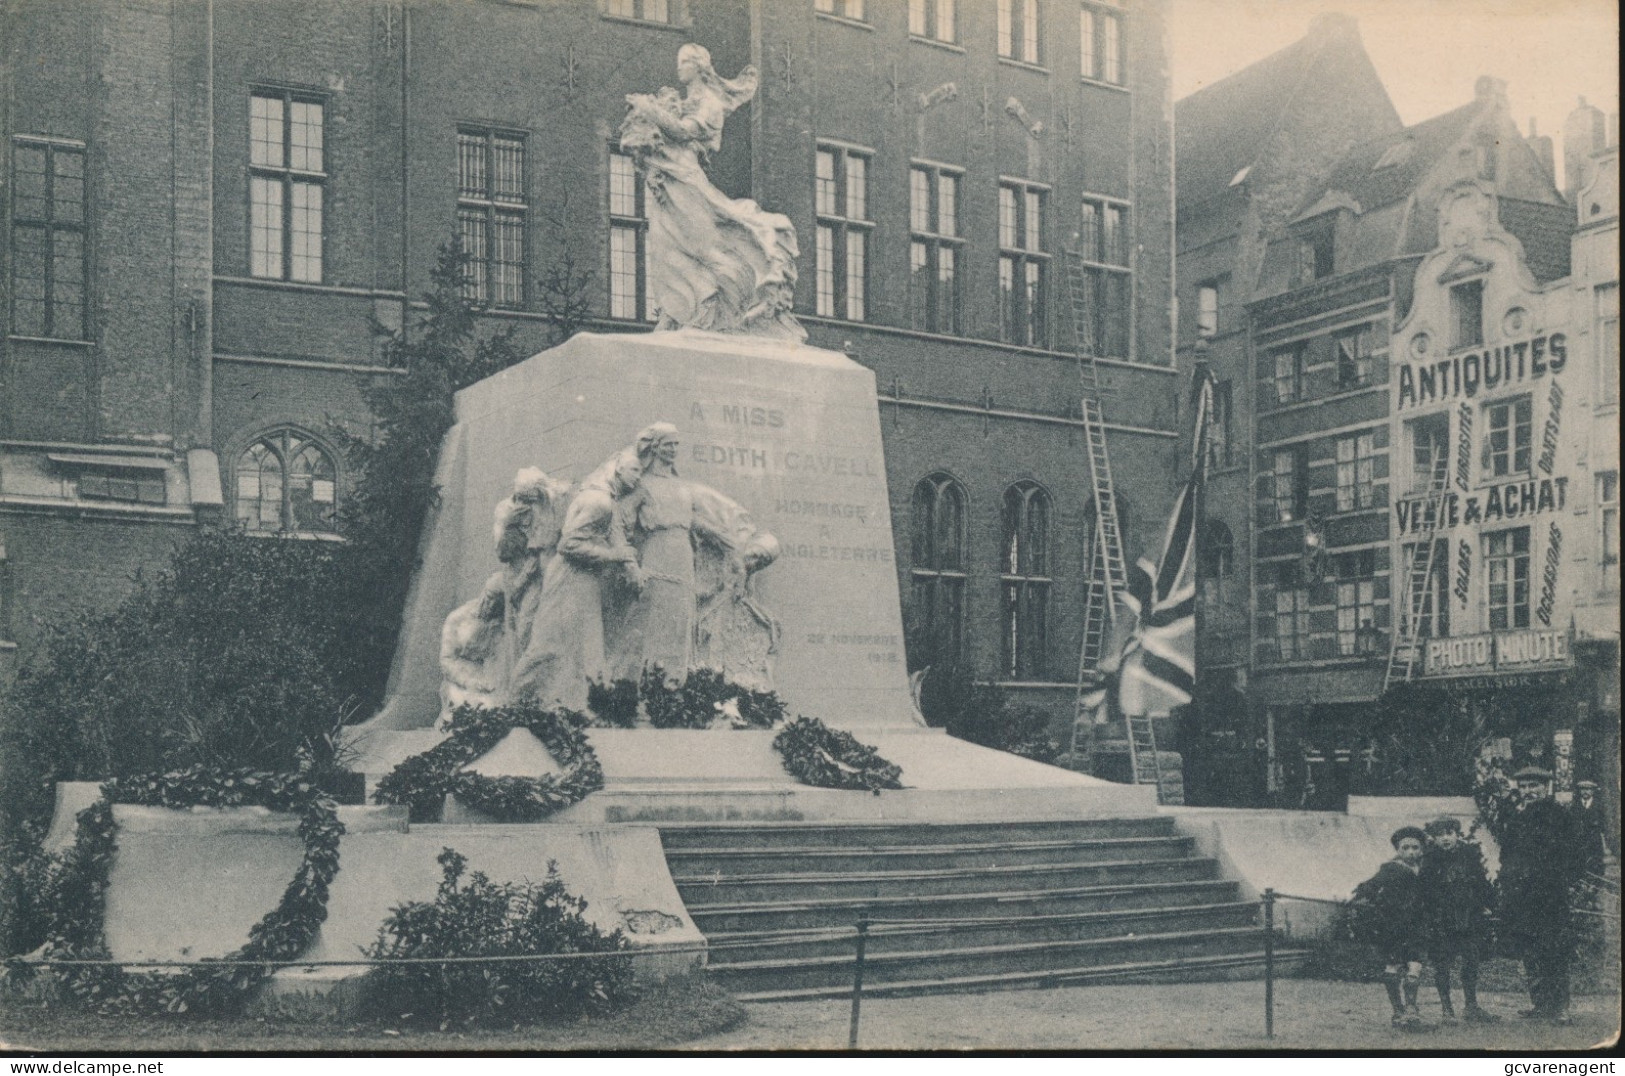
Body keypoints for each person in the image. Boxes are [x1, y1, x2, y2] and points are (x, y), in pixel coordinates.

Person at [618, 44, 804, 342]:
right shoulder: (687, 99)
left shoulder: (709, 102)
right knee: (668, 250)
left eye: (683, 62)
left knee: (701, 249)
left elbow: (682, 132)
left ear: (698, 66)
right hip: (670, 180)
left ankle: (724, 308)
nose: (679, 68)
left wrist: (649, 109)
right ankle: (675, 314)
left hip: (687, 180)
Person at [509, 449, 646, 713]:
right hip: (569, 577)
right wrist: (614, 556)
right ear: (618, 470)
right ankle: (517, 701)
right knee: (548, 644)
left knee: (587, 646)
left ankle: (578, 705)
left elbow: (615, 534)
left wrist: (629, 565)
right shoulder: (599, 502)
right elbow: (568, 544)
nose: (639, 478)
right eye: (635, 471)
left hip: (584, 578)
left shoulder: (605, 498)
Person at [1498, 765, 1581, 1025]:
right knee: (1530, 950)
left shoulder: (1558, 815)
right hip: (1521, 896)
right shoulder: (1516, 816)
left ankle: (1560, 1008)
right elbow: (1507, 854)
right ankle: (1541, 1004)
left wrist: (1565, 881)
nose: (1528, 791)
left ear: (1546, 787)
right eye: (1523, 786)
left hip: (1549, 895)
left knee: (1553, 949)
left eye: (1534, 786)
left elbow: (1575, 854)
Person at [1352, 826, 1431, 1030]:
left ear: (1422, 849)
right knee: (1393, 966)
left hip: (1417, 926)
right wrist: (1357, 896)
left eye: (1415, 847)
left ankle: (1412, 1010)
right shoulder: (1390, 869)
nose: (1411, 852)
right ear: (1398, 849)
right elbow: (1371, 885)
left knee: (1415, 966)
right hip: (1393, 926)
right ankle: (1397, 1011)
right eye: (1405, 847)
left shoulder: (1426, 870)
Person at [1420, 817, 1498, 1024]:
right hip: (1441, 919)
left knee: (1471, 960)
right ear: (1434, 838)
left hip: (1468, 917)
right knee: (1442, 964)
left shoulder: (1469, 855)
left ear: (1457, 835)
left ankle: (1471, 1006)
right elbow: (1424, 891)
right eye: (1439, 834)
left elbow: (1481, 882)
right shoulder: (1429, 859)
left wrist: (1491, 904)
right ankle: (1447, 1010)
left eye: (1449, 833)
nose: (1445, 838)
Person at [1569, 779, 1609, 878]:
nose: (1585, 792)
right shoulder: (1575, 806)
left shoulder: (1599, 806)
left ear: (1593, 791)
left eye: (1588, 789)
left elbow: (1603, 824)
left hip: (1594, 841)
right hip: (1579, 840)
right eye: (1583, 789)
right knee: (1579, 864)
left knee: (1595, 865)